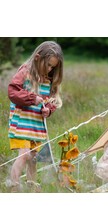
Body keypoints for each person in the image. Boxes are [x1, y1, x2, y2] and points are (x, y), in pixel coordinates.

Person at [7, 41, 63, 191]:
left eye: (53, 67)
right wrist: (32, 98)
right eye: (49, 65)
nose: (50, 69)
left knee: (33, 158)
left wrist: (49, 109)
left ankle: (31, 185)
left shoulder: (48, 79)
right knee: (24, 155)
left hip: (36, 126)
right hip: (21, 125)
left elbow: (51, 100)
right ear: (38, 57)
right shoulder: (25, 72)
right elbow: (13, 91)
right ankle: (13, 185)